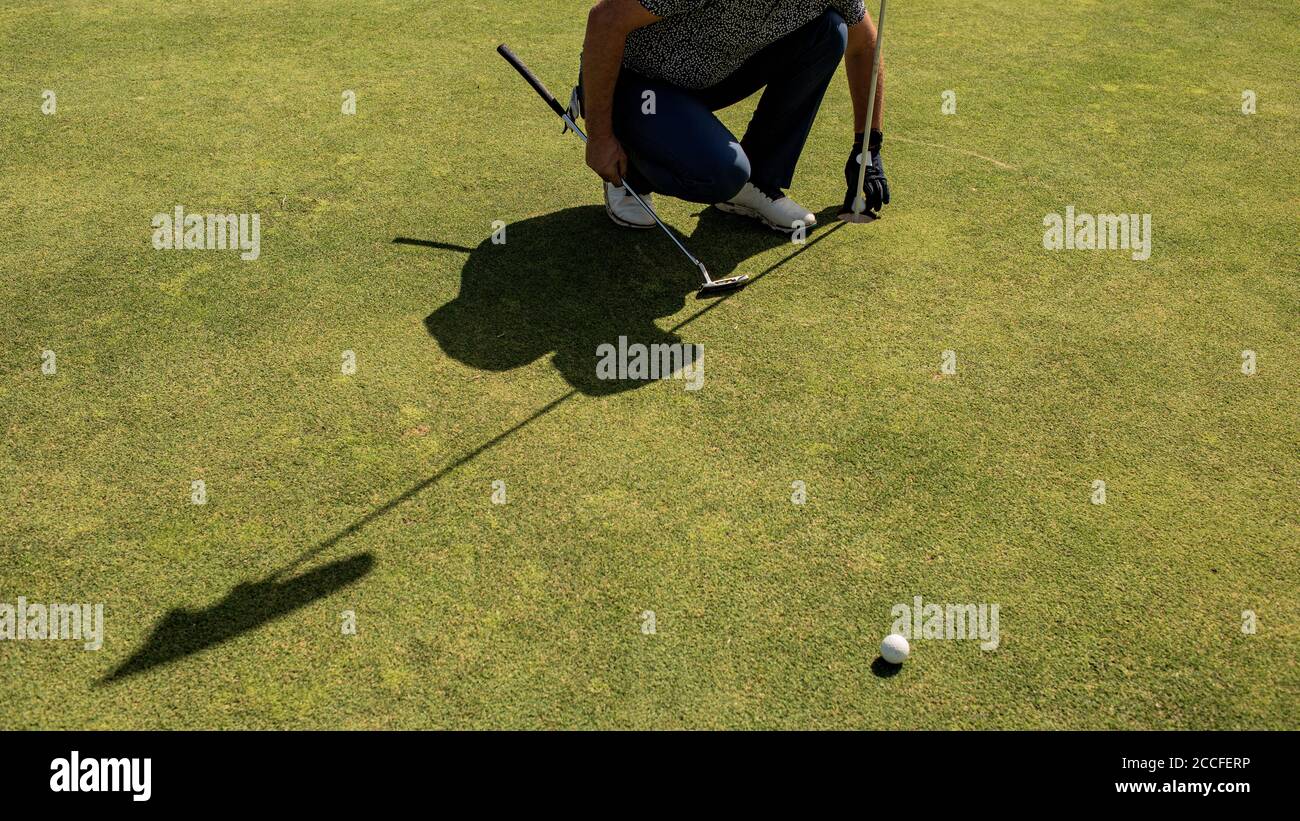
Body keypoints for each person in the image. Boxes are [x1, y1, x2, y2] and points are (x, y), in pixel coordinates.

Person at [574, 0, 890, 233]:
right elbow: (606, 20)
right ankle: (632, 173)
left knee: (830, 31)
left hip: (709, 75)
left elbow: (864, 46)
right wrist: (600, 135)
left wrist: (869, 146)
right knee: (722, 172)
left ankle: (758, 182)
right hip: (636, 85)